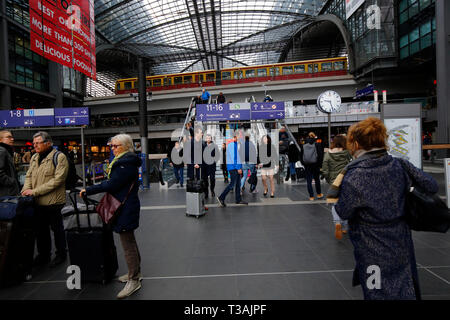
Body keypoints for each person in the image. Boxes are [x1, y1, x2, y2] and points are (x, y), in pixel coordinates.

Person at [334, 117, 439, 300]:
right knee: (404, 288)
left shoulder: (355, 176)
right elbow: (431, 185)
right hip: (401, 241)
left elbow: (343, 211)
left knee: (376, 292)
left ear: (356, 144)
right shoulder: (399, 165)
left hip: (371, 247)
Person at [80, 134, 143, 299]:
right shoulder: (124, 162)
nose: (113, 149)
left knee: (127, 244)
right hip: (125, 206)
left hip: (125, 208)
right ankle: (135, 272)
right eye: (111, 146)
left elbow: (112, 184)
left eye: (116, 146)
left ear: (126, 146)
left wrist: (89, 190)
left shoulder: (125, 164)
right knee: (130, 240)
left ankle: (134, 279)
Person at [21, 131, 69, 268]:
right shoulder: (34, 157)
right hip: (37, 201)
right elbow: (29, 176)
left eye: (38, 143)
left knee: (57, 229)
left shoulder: (59, 157)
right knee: (41, 230)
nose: (35, 145)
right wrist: (26, 189)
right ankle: (44, 255)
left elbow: (58, 180)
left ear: (48, 143)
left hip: (53, 201)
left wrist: (34, 191)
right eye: (34, 143)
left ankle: (61, 254)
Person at [321, 135, 352, 239]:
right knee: (346, 202)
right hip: (346, 179)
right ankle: (345, 226)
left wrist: (329, 179)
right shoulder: (347, 152)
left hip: (334, 181)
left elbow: (325, 168)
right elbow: (352, 163)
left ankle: (337, 222)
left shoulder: (328, 153)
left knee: (334, 203)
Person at [216, 135, 248, 207]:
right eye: (239, 137)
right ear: (234, 137)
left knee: (238, 184)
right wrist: (238, 168)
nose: (240, 139)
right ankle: (221, 197)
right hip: (233, 168)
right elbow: (234, 158)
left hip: (235, 167)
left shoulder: (234, 144)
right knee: (232, 184)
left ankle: (238, 199)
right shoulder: (231, 144)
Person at [300, 132, 324, 201]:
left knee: (309, 181)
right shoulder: (317, 144)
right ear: (314, 137)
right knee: (317, 180)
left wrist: (303, 163)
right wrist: (320, 165)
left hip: (307, 165)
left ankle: (311, 196)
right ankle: (319, 194)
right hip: (315, 165)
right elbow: (320, 155)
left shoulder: (304, 144)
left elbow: (301, 155)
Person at [0, 130, 20, 197]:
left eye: (12, 137)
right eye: (8, 137)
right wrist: (12, 182)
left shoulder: (6, 150)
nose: (12, 139)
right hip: (6, 194)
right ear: (0, 140)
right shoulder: (2, 150)